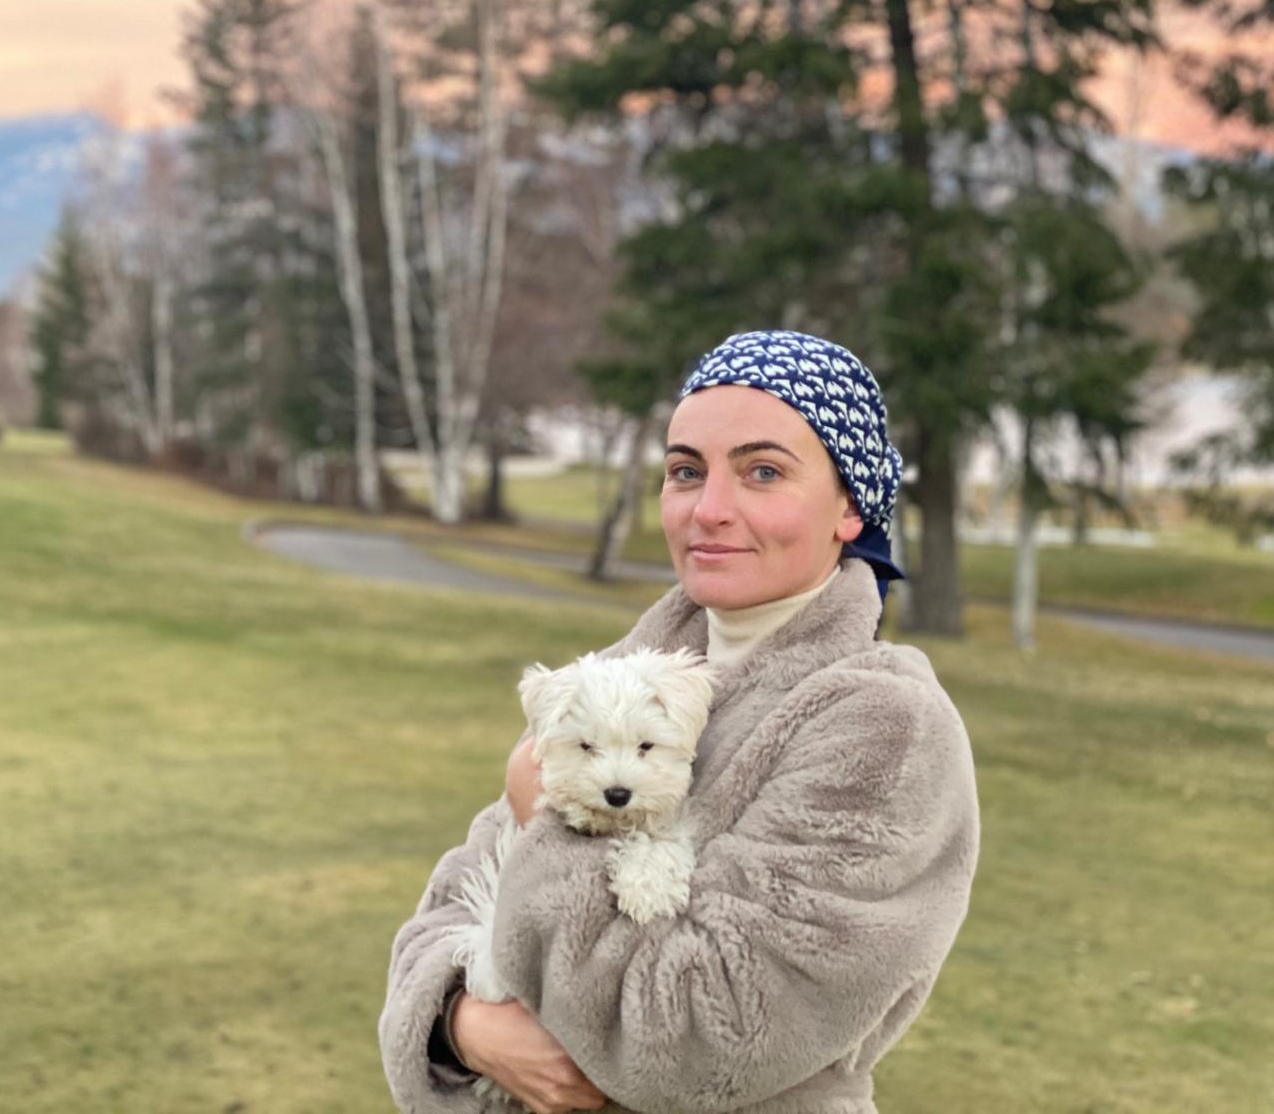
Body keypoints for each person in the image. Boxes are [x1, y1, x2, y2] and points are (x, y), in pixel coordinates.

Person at [379, 330, 980, 1114]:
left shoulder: (885, 726)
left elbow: (710, 1040)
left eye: (763, 471)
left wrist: (546, 821)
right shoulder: (618, 679)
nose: (710, 509)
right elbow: (442, 918)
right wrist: (461, 1027)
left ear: (849, 507)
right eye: (686, 471)